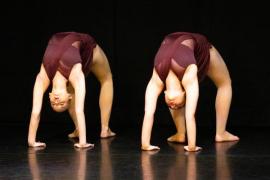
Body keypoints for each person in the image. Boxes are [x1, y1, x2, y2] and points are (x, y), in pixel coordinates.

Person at [141, 32, 239, 152]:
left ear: (184, 92)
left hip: (198, 44)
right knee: (225, 84)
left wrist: (192, 146)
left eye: (174, 105)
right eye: (176, 105)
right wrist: (145, 144)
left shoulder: (165, 76)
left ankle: (220, 133)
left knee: (224, 83)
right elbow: (148, 113)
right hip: (177, 43)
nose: (173, 105)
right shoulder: (160, 77)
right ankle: (182, 133)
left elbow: (189, 115)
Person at [28, 31, 115, 148]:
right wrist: (82, 142)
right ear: (69, 97)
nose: (57, 101)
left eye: (54, 103)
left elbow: (35, 112)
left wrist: (31, 141)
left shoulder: (42, 78)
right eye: (62, 103)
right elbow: (79, 110)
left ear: (49, 95)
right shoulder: (76, 76)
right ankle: (104, 129)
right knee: (107, 78)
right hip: (86, 47)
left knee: (100, 80)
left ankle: (90, 128)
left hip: (63, 40)